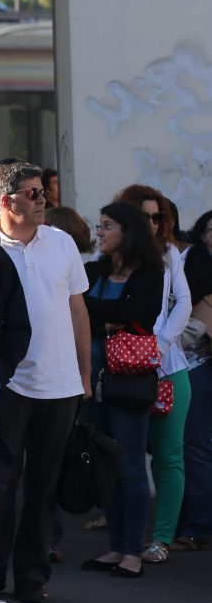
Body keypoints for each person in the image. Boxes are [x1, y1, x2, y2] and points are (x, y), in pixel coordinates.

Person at [0, 162, 92, 603]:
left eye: (42, 191)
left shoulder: (62, 242)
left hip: (60, 384)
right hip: (5, 384)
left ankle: (32, 577)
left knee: (43, 488)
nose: (42, 198)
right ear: (6, 202)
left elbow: (77, 312)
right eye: (32, 193)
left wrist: (85, 375)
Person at [81, 201, 164, 579]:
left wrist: (102, 314)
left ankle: (133, 551)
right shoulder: (94, 269)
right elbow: (82, 306)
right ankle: (116, 547)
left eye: (106, 226)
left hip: (127, 381)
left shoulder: (149, 272)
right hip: (92, 380)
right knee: (105, 464)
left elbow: (138, 312)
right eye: (99, 226)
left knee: (130, 466)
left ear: (127, 233)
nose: (99, 232)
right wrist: (111, 316)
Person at [115, 185, 192, 564]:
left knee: (168, 457)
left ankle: (160, 539)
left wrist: (159, 346)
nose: (152, 223)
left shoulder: (169, 254)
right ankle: (122, 539)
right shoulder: (112, 257)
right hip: (121, 371)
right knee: (122, 457)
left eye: (156, 216)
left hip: (168, 370)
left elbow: (185, 302)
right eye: (144, 215)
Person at [175, 210, 212, 551]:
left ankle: (197, 526)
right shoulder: (196, 265)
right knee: (195, 448)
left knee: (196, 449)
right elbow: (191, 327)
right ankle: (196, 525)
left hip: (196, 367)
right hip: (196, 366)